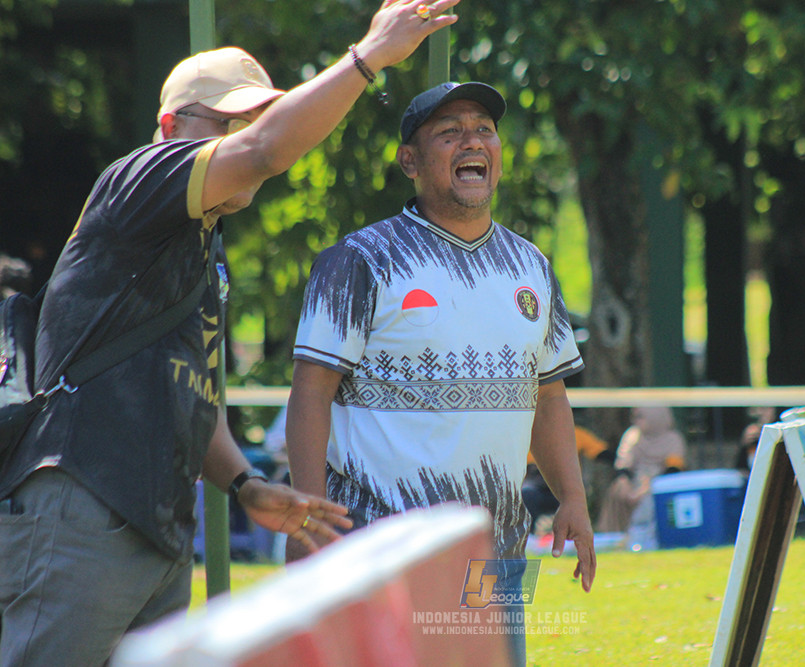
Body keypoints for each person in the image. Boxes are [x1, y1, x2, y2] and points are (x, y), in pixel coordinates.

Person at [0, 2, 459, 664]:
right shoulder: (141, 180)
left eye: (253, 116)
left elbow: (192, 395)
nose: (243, 132)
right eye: (225, 121)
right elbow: (267, 151)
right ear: (169, 127)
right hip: (82, 506)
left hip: (153, 531)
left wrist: (246, 485)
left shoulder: (201, 243)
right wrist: (369, 57)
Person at [284, 81, 597, 664]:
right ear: (410, 160)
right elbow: (311, 392)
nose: (472, 142)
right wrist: (307, 520)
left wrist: (572, 497)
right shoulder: (357, 260)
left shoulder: (532, 265)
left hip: (497, 553)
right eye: (449, 132)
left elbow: (548, 395)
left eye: (483, 129)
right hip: (379, 547)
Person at [595, 406, 686, 534]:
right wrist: (624, 482)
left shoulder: (673, 439)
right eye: (634, 417)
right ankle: (615, 534)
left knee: (650, 499)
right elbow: (623, 464)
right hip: (635, 480)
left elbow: (673, 469)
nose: (636, 421)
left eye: (640, 417)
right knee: (618, 491)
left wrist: (647, 488)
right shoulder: (632, 435)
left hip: (660, 482)